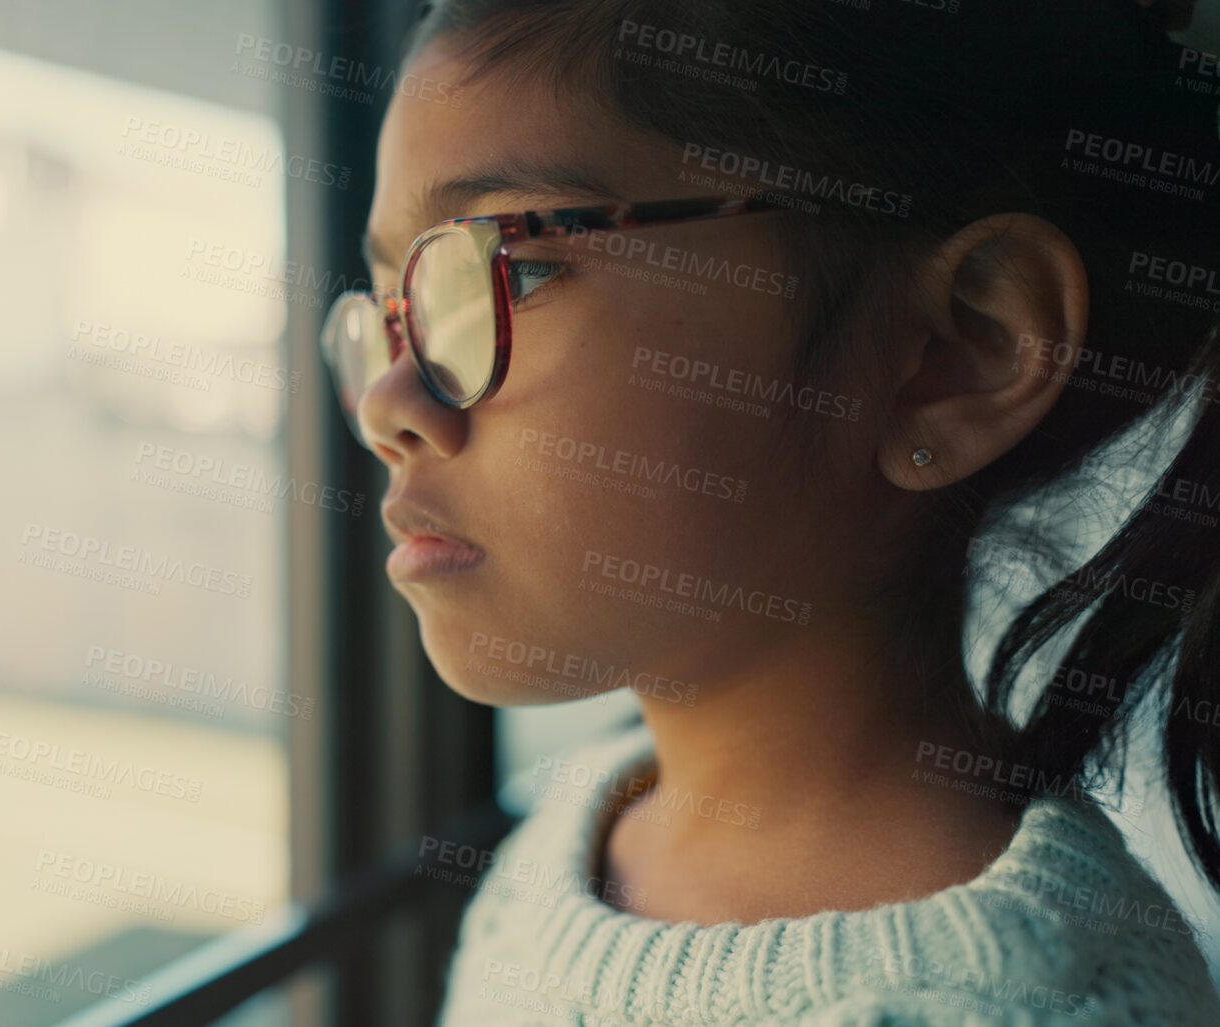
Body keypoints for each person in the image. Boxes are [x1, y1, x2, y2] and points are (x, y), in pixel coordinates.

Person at [317, 0, 1220, 1021]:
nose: (389, 403)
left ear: (958, 350)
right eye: (392, 306)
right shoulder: (582, 830)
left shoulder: (1044, 1005)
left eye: (507, 272)